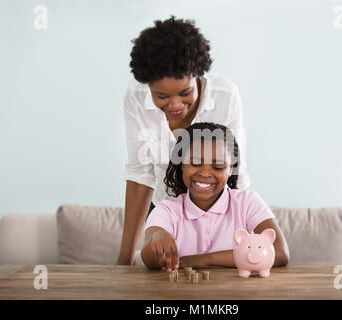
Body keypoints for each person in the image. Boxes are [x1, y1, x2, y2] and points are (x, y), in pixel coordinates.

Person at [117, 16, 251, 265]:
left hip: (218, 212)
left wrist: (244, 244)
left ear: (198, 75)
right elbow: (139, 176)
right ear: (148, 87)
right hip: (163, 211)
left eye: (185, 92)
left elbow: (234, 174)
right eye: (161, 96)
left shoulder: (225, 97)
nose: (176, 105)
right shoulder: (135, 98)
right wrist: (123, 261)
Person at [141, 122, 289, 270]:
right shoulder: (166, 209)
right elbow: (148, 258)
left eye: (218, 166)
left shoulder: (247, 203)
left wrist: (204, 260)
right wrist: (158, 237)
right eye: (195, 163)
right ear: (182, 165)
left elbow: (279, 252)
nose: (205, 173)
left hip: (237, 292)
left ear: (231, 169)